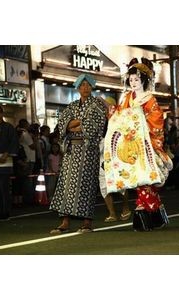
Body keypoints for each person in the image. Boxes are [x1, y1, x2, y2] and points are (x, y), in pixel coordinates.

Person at [103, 57, 173, 231]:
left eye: (137, 79)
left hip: (146, 142)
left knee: (145, 178)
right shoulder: (127, 97)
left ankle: (144, 207)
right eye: (131, 79)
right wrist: (114, 113)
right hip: (131, 142)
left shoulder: (149, 99)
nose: (133, 82)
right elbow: (120, 116)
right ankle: (155, 213)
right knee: (138, 177)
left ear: (143, 80)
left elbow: (156, 119)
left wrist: (141, 120)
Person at [49, 74, 107, 234]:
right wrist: (76, 124)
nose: (85, 88)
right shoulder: (72, 105)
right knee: (65, 186)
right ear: (78, 87)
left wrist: (74, 124)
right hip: (71, 151)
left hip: (89, 151)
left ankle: (87, 222)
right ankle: (65, 221)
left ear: (92, 87)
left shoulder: (98, 105)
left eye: (88, 85)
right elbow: (63, 123)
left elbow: (94, 124)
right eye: (82, 85)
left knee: (87, 185)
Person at [99, 96, 131, 223]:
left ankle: (126, 207)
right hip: (101, 157)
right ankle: (112, 213)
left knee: (120, 184)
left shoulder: (118, 120)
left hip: (115, 156)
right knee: (103, 186)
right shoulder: (99, 121)